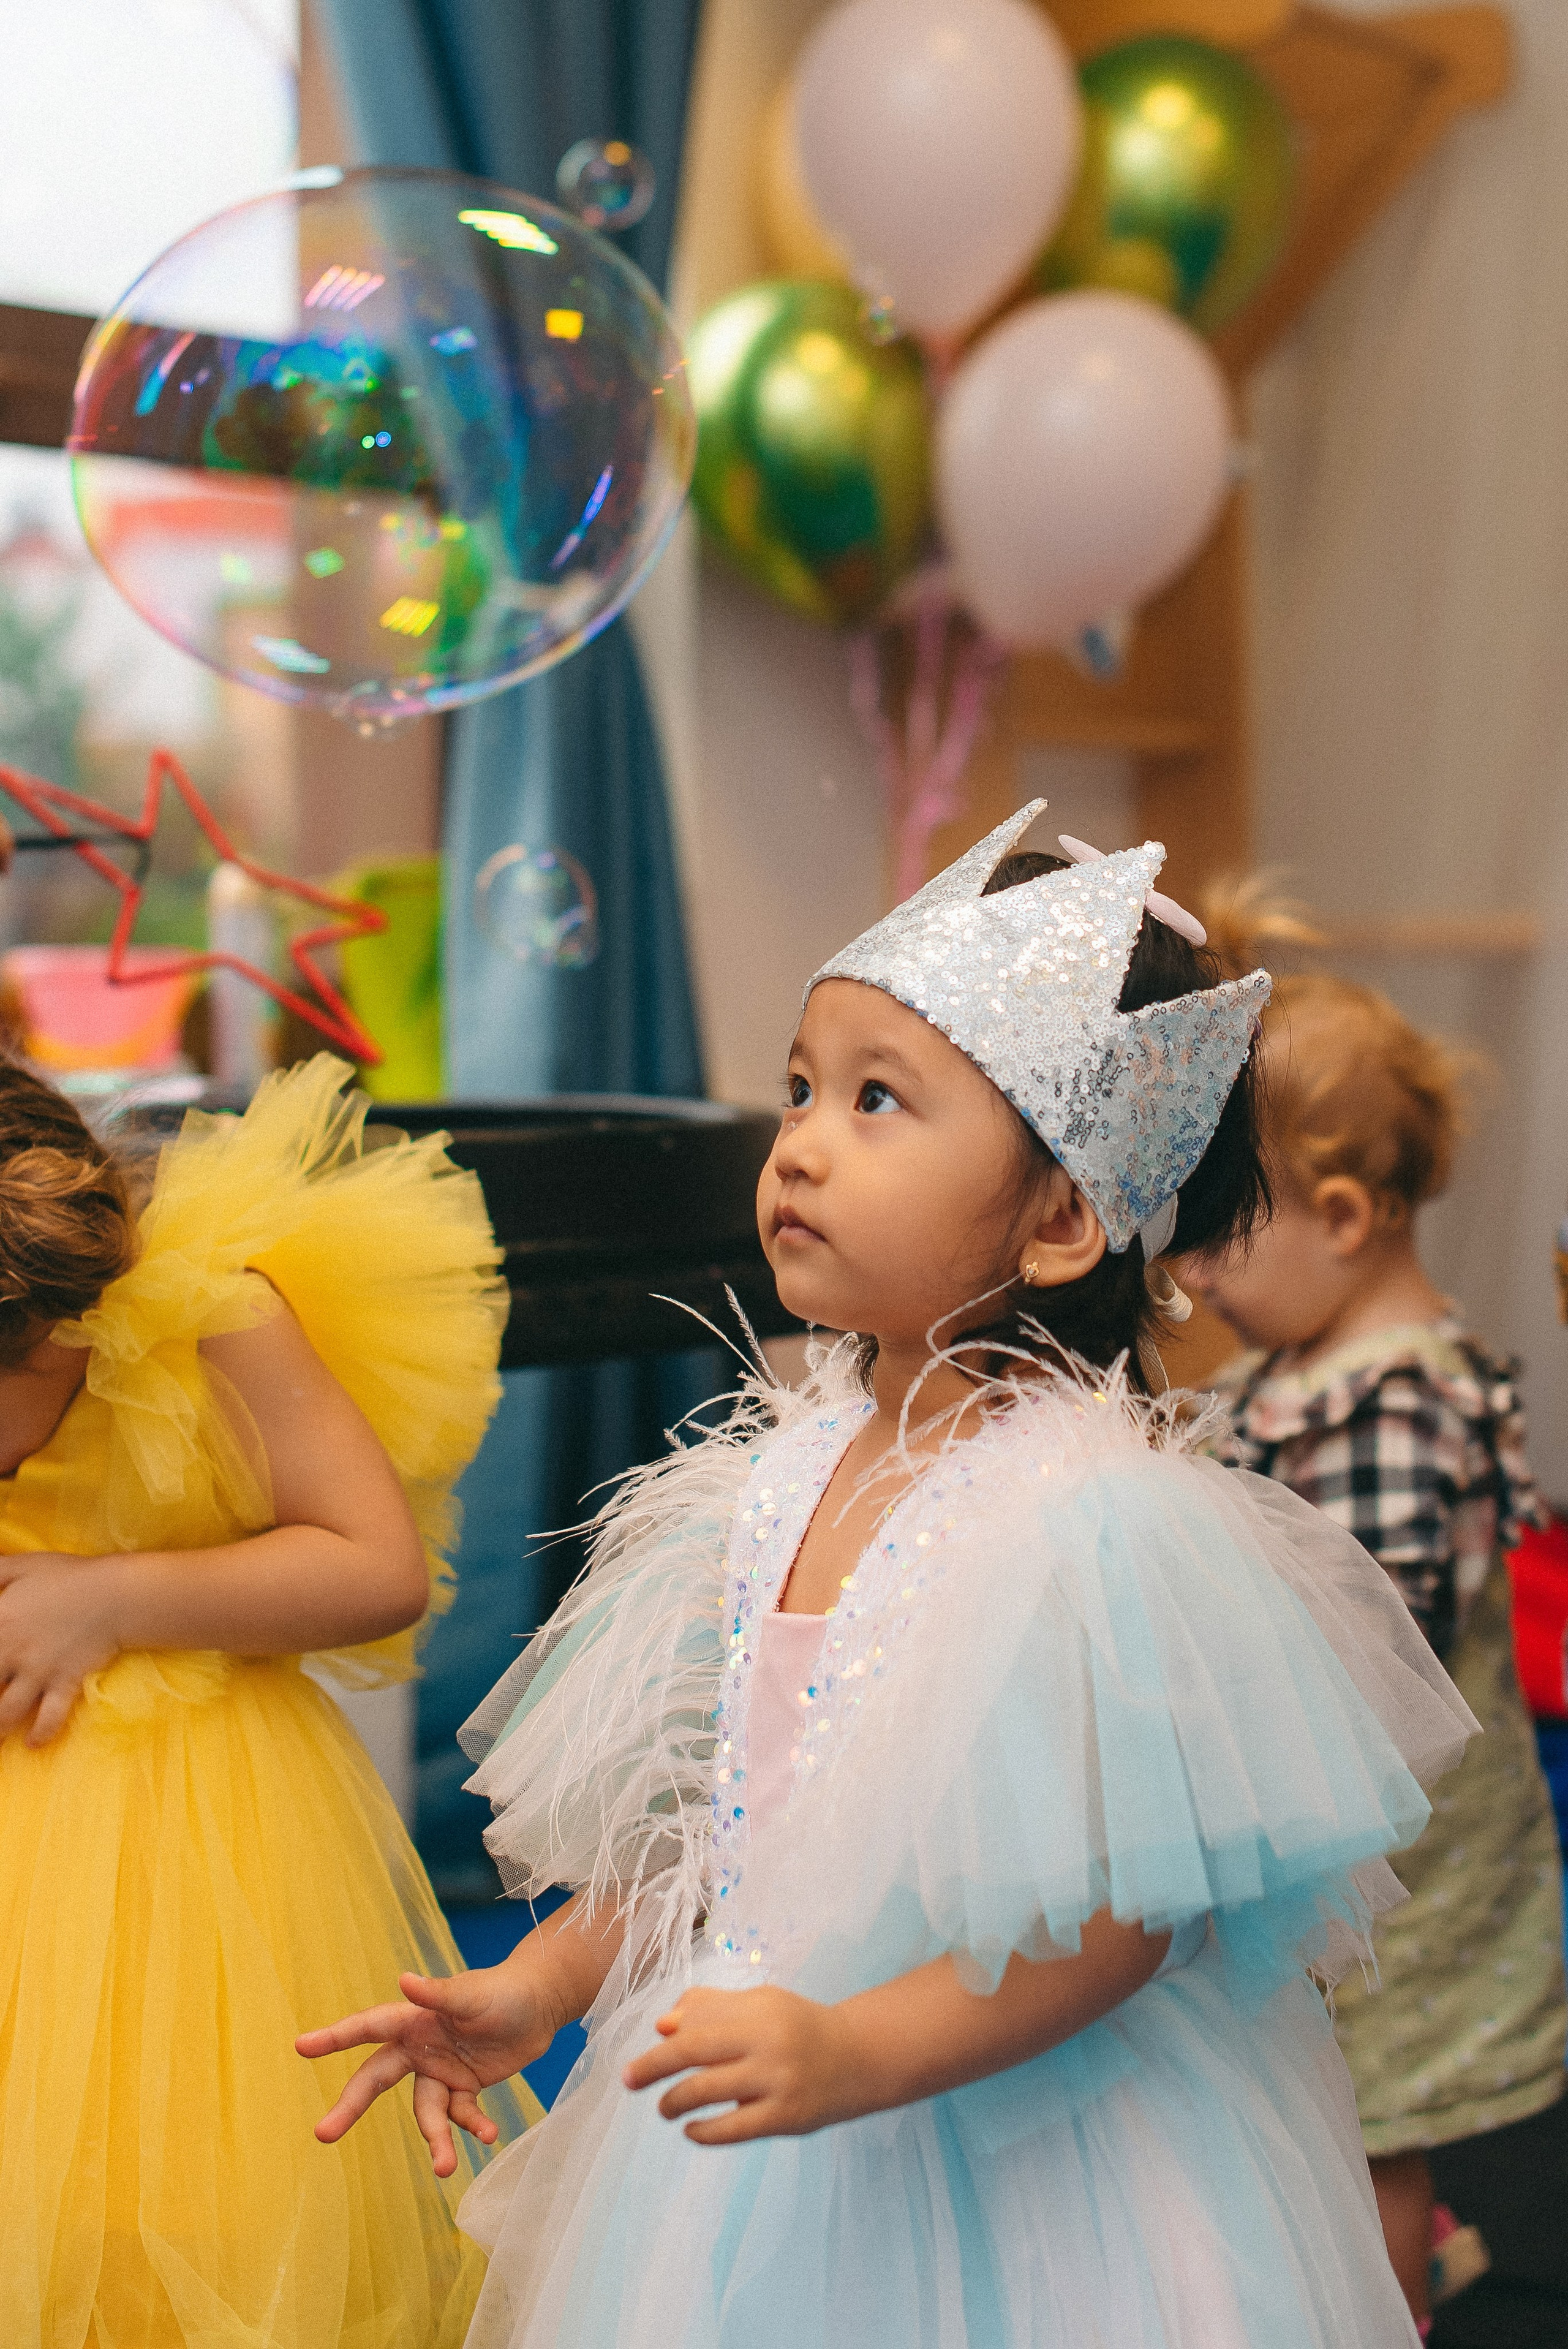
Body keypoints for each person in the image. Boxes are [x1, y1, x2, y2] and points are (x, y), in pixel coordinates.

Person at [300, 809, 1474, 2349]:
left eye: (876, 1100)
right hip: (757, 2132)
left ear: (1060, 1220)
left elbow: (1116, 1923)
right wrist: (543, 1981)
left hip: (1028, 2163)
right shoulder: (763, 1483)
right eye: (799, 1087)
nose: (798, 1142)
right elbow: (719, 1830)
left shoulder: (1090, 1527)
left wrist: (853, 2052)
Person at [0, 1053, 537, 2349]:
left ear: (49, 1321)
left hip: (193, 1840)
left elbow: (374, 1564)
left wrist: (108, 1599)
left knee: (175, 2199)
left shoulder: (211, 1312)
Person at [1187, 967, 1568, 2330]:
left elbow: (1365, 1646)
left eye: (1217, 1232)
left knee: (1370, 2124)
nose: (1189, 1273)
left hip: (1397, 1864)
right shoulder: (1312, 1368)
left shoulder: (1395, 1405)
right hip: (1348, 1840)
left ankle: (1380, 2307)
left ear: (1343, 1217)